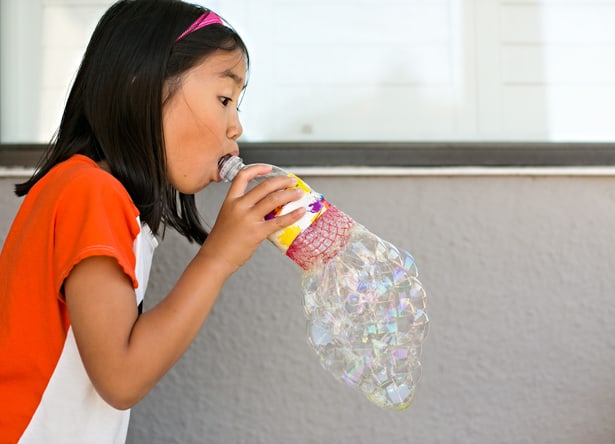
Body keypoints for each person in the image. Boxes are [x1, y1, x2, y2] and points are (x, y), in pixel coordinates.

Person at [0, 1, 306, 442]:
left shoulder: (90, 191)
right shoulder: (92, 192)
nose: (236, 126)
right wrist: (218, 258)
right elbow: (121, 378)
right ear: (140, 85)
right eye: (224, 98)